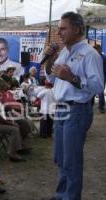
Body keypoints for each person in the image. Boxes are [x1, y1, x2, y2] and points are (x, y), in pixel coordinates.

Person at [43, 12, 104, 200]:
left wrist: (73, 78)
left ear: (77, 29)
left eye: (63, 28)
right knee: (60, 158)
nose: (59, 33)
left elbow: (98, 86)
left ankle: (70, 197)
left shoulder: (90, 54)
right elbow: (51, 77)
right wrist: (49, 60)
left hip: (77, 110)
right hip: (61, 109)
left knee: (71, 161)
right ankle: (62, 194)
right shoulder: (65, 51)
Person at [93, 44, 106, 113]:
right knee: (92, 91)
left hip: (102, 77)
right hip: (94, 77)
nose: (97, 51)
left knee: (100, 92)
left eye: (98, 49)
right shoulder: (93, 58)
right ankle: (90, 104)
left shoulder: (104, 57)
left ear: (100, 49)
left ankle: (101, 107)